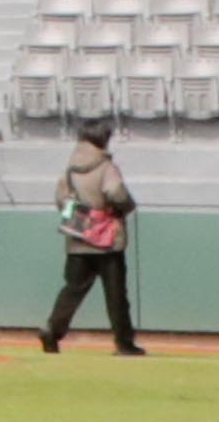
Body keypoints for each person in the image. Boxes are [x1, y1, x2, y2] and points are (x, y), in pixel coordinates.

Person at [43, 122, 144, 356]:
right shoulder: (105, 166)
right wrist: (125, 207)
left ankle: (52, 330)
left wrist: (79, 218)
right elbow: (116, 192)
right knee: (116, 294)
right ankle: (124, 342)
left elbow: (61, 199)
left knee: (73, 289)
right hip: (107, 239)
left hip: (78, 236)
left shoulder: (70, 167)